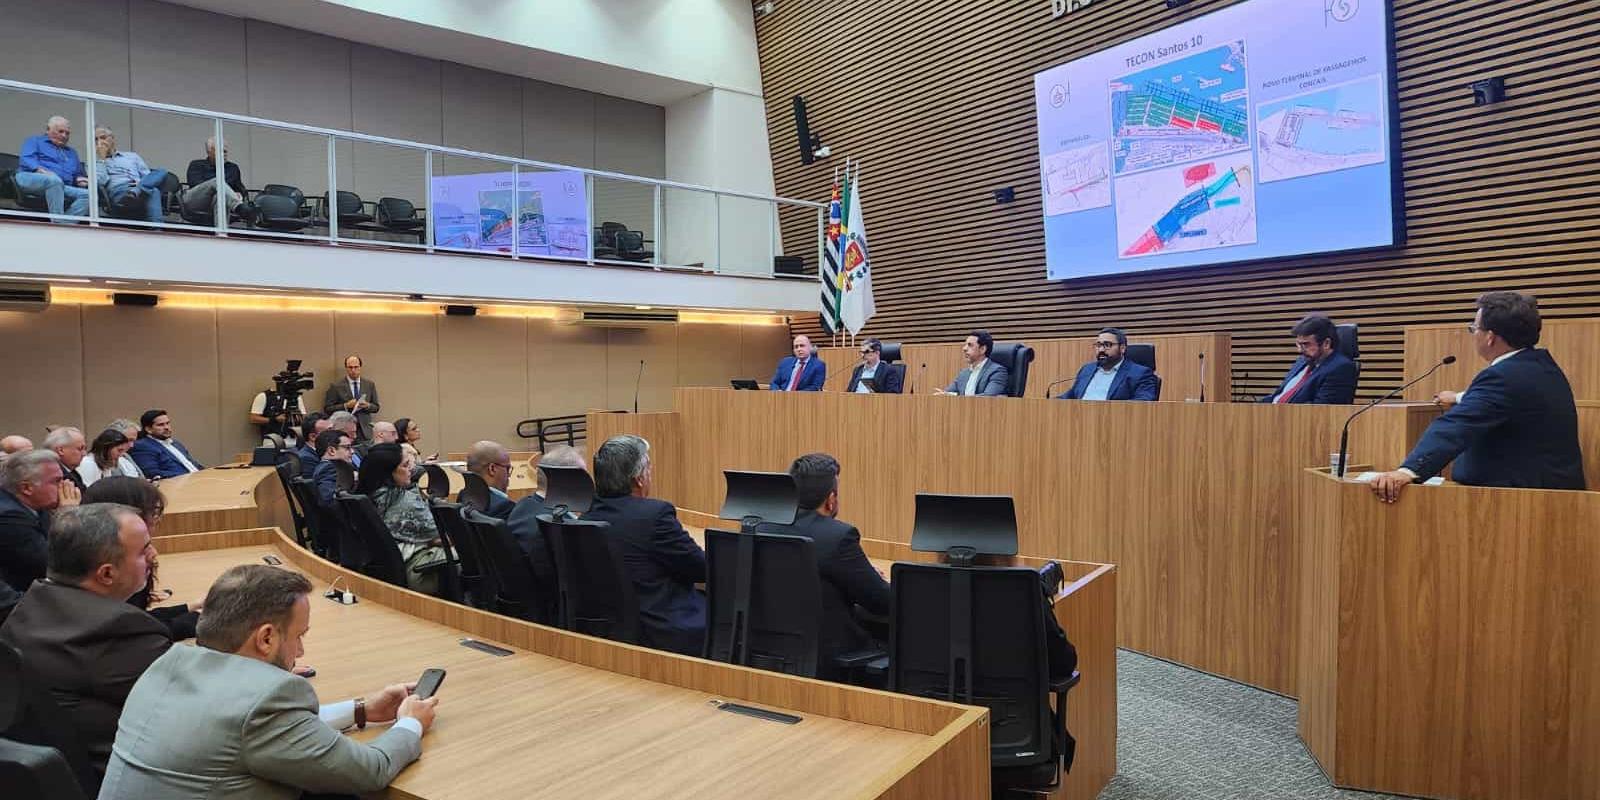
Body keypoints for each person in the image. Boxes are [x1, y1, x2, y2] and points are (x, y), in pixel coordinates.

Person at [99, 564, 437, 800]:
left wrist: (362, 709)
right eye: (299, 636)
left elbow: (247, 730)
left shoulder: (167, 665)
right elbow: (370, 771)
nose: (301, 650)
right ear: (266, 638)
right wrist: (410, 723)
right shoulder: (267, 699)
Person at [0, 503, 168, 785]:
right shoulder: (117, 630)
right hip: (126, 781)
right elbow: (199, 706)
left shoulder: (28, 608)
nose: (154, 555)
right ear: (106, 574)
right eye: (143, 550)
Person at [1371, 291, 1586, 502]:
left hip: (1521, 502)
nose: (1473, 334)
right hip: (1550, 496)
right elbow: (1503, 402)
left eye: (1474, 328)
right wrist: (1458, 397)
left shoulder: (1503, 377)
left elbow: (1455, 426)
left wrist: (1408, 471)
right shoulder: (1540, 366)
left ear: (1490, 337)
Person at [754, 453, 890, 681]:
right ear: (831, 499)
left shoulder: (760, 527)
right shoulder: (838, 537)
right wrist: (869, 576)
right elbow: (881, 601)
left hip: (768, 655)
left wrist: (860, 571)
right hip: (828, 660)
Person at [582, 435, 706, 656]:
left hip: (611, 628)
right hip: (664, 627)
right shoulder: (655, 515)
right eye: (649, 468)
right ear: (639, 478)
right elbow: (700, 568)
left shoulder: (586, 516)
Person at [82, 476, 203, 640]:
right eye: (152, 512)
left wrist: (191, 607)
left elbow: (137, 617)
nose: (156, 519)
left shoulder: (105, 550)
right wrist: (203, 619)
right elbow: (131, 631)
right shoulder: (109, 562)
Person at [504, 445, 586, 621]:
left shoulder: (522, 506)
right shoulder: (562, 526)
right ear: (569, 480)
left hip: (525, 606)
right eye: (584, 476)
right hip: (557, 614)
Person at [355, 443, 447, 594]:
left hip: (390, 571)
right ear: (388, 473)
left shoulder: (370, 495)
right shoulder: (404, 501)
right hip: (418, 572)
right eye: (405, 465)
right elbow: (443, 538)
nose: (410, 469)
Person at [0, 449, 79, 610]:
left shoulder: (38, 506)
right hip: (20, 607)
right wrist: (67, 517)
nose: (65, 486)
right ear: (27, 488)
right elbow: (56, 565)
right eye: (56, 481)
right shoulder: (9, 517)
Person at [1260, 315, 1358, 405]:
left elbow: (1319, 410)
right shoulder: (1302, 362)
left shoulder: (1341, 368)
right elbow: (1279, 395)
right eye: (1298, 344)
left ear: (1326, 343)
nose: (1299, 350)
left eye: (1306, 344)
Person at [15, 115, 89, 221]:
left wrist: (80, 180)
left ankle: (65, 224)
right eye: (60, 131)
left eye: (67, 133)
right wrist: (42, 171)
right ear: (48, 130)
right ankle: (57, 221)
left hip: (60, 186)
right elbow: (26, 159)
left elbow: (77, 174)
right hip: (29, 178)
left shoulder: (72, 152)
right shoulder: (35, 141)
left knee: (88, 195)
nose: (64, 135)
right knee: (54, 181)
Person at [1058, 328, 1159, 401]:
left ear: (1122, 348)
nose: (1101, 349)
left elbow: (1143, 403)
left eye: (1107, 345)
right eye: (1098, 345)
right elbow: (1071, 395)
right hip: (1079, 420)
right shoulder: (1087, 369)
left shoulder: (1140, 373)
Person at [93, 126, 169, 223]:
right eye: (96, 139)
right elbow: (101, 181)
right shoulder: (94, 162)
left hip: (140, 189)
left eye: (103, 137)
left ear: (112, 139)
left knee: (161, 171)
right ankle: (157, 229)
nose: (100, 142)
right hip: (120, 193)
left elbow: (148, 177)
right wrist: (101, 159)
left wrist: (140, 184)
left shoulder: (132, 156)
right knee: (154, 191)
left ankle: (135, 191)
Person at [181, 136, 251, 221]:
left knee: (221, 197)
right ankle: (240, 208)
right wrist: (224, 190)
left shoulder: (233, 168)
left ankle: (221, 229)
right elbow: (195, 185)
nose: (225, 154)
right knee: (217, 182)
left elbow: (241, 189)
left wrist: (239, 194)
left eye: (225, 151)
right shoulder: (196, 164)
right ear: (209, 152)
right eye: (221, 151)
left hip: (218, 201)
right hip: (195, 201)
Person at [129, 409, 204, 479]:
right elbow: (152, 473)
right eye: (161, 425)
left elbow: (194, 464)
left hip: (199, 479)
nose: (167, 427)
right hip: (179, 484)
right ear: (148, 429)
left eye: (167, 423)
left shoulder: (175, 443)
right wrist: (188, 476)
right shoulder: (142, 446)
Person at [324, 355, 380, 441]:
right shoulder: (336, 386)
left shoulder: (369, 384)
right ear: (346, 368)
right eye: (350, 367)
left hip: (365, 430)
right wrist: (346, 405)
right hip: (345, 430)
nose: (353, 370)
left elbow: (376, 407)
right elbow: (328, 409)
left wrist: (367, 405)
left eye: (356, 367)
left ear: (360, 367)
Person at [938, 330, 1009, 396]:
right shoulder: (963, 373)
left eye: (970, 345)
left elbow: (988, 397)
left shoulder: (997, 371)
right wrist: (943, 395)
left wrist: (956, 396)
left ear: (982, 349)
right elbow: (948, 394)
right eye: (965, 345)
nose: (964, 348)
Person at [465, 440, 515, 519]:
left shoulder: (463, 495)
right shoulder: (504, 507)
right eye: (507, 468)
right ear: (492, 469)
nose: (509, 475)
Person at [310, 429, 353, 510]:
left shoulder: (326, 466)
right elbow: (327, 501)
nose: (352, 451)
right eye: (347, 448)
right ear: (331, 451)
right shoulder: (328, 468)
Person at [45, 425, 89, 490]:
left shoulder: (72, 472)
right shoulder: (55, 476)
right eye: (80, 449)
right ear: (61, 450)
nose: (84, 454)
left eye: (85, 449)